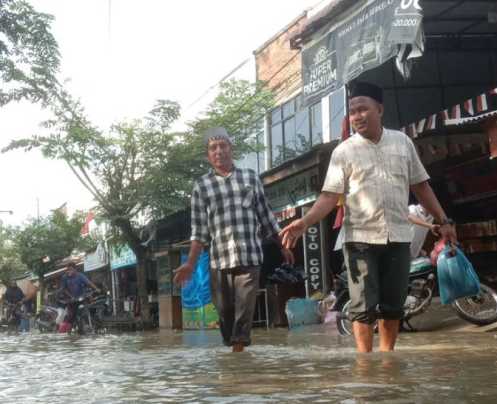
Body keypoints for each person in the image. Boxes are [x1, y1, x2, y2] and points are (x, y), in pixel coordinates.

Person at [280, 82, 451, 353]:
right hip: (359, 239)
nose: (357, 116)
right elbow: (328, 196)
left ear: (379, 109)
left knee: (393, 304)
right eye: (352, 111)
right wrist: (304, 222)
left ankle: (387, 359)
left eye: (363, 109)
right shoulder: (344, 152)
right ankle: (364, 362)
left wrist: (444, 220)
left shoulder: (402, 142)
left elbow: (420, 185)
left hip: (397, 235)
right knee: (363, 305)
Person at [173, 126, 294, 352]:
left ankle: (238, 352)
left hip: (250, 256)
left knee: (245, 307)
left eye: (223, 146)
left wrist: (282, 246)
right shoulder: (201, 186)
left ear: (231, 149)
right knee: (224, 311)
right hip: (219, 260)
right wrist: (190, 263)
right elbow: (199, 231)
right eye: (213, 148)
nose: (219, 151)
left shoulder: (250, 178)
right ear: (207, 155)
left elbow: (267, 217)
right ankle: (233, 346)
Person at [58, 264, 100, 335]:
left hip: (82, 297)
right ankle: (69, 335)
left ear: (75, 269)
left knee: (91, 307)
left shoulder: (80, 275)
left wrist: (96, 289)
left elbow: (88, 282)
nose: (69, 271)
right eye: (67, 270)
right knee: (71, 317)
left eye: (70, 269)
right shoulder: (64, 278)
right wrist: (71, 297)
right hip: (72, 300)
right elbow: (64, 289)